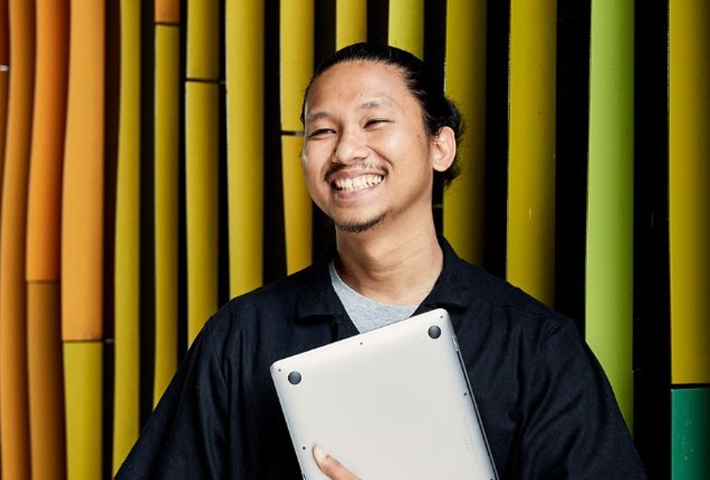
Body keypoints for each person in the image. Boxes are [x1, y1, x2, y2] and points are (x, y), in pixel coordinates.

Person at [116, 42, 647, 479]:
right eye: (323, 131)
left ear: (441, 147)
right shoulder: (242, 335)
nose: (346, 151)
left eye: (374, 122)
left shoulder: (533, 345)